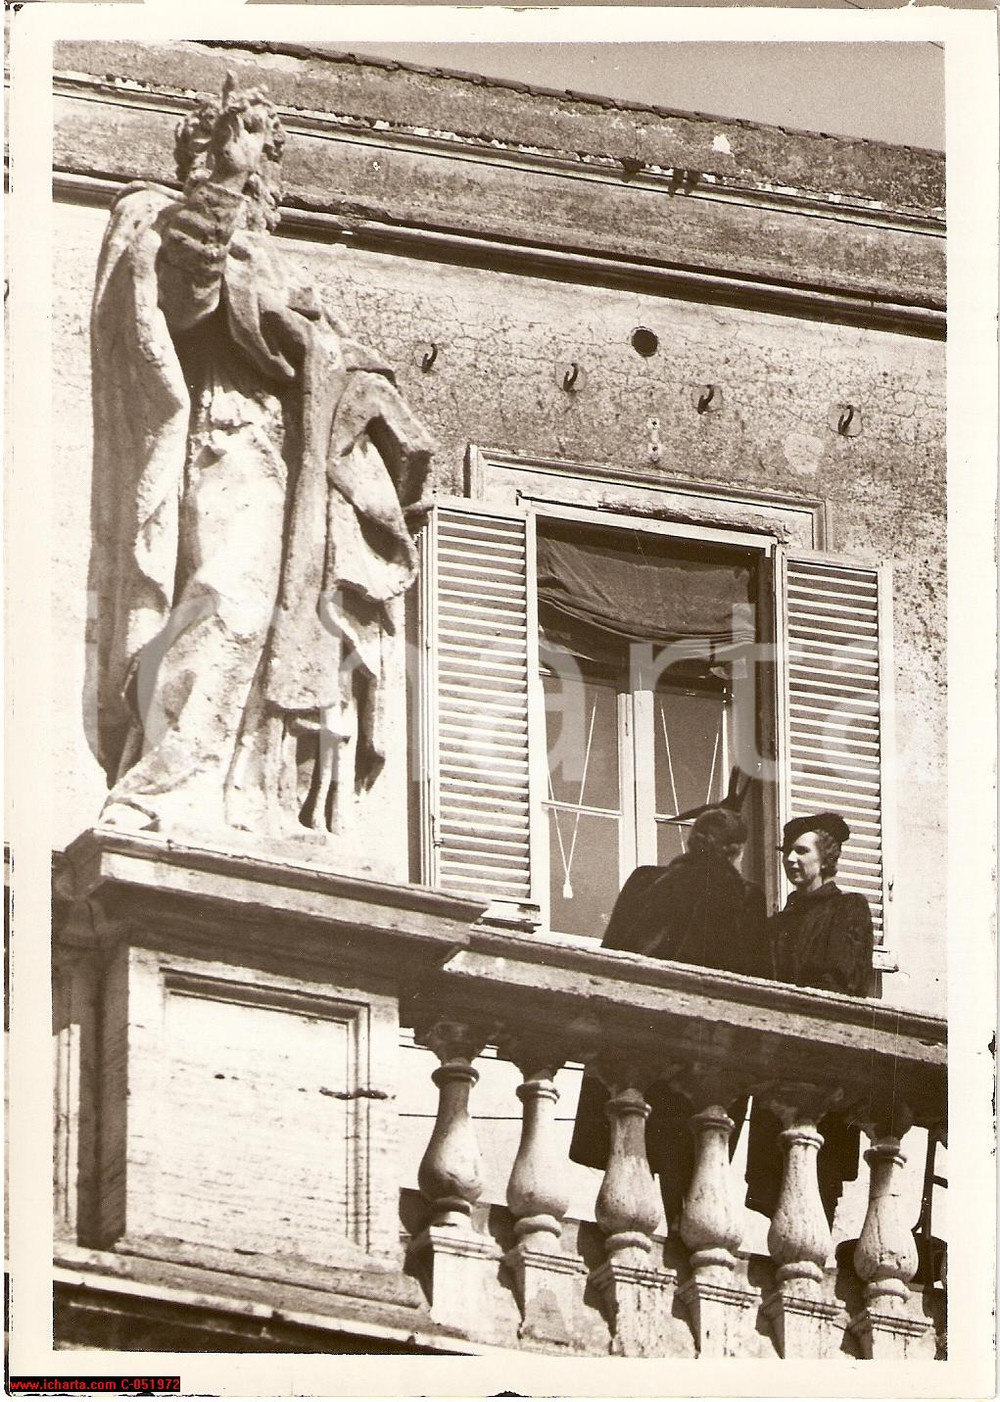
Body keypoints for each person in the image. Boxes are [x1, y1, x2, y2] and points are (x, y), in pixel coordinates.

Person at [89, 74, 434, 839]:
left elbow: (318, 346)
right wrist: (220, 186)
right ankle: (165, 787)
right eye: (249, 147)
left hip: (291, 466)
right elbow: (182, 302)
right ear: (209, 150)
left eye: (267, 156)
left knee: (286, 620)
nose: (263, 168)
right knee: (227, 603)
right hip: (223, 441)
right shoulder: (162, 218)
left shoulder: (274, 261)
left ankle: (250, 790)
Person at [569, 804, 766, 1229]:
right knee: (688, 1172)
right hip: (702, 1052)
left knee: (632, 1155)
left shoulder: (646, 881)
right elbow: (754, 987)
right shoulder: (744, 898)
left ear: (692, 840)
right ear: (736, 851)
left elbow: (612, 959)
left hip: (639, 1042)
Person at [744, 811, 876, 1224]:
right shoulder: (776, 924)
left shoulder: (848, 909)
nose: (791, 860)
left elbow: (846, 981)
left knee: (820, 1182)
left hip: (825, 1061)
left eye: (802, 851)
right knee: (773, 1183)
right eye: (788, 852)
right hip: (778, 1059)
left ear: (826, 858)